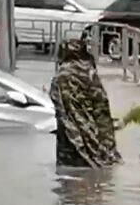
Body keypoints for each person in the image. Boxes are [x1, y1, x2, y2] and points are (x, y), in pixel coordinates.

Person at [49, 39, 122, 168]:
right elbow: (102, 108)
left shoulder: (60, 77)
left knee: (71, 178)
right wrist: (109, 146)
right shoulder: (90, 73)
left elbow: (61, 113)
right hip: (93, 138)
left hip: (71, 143)